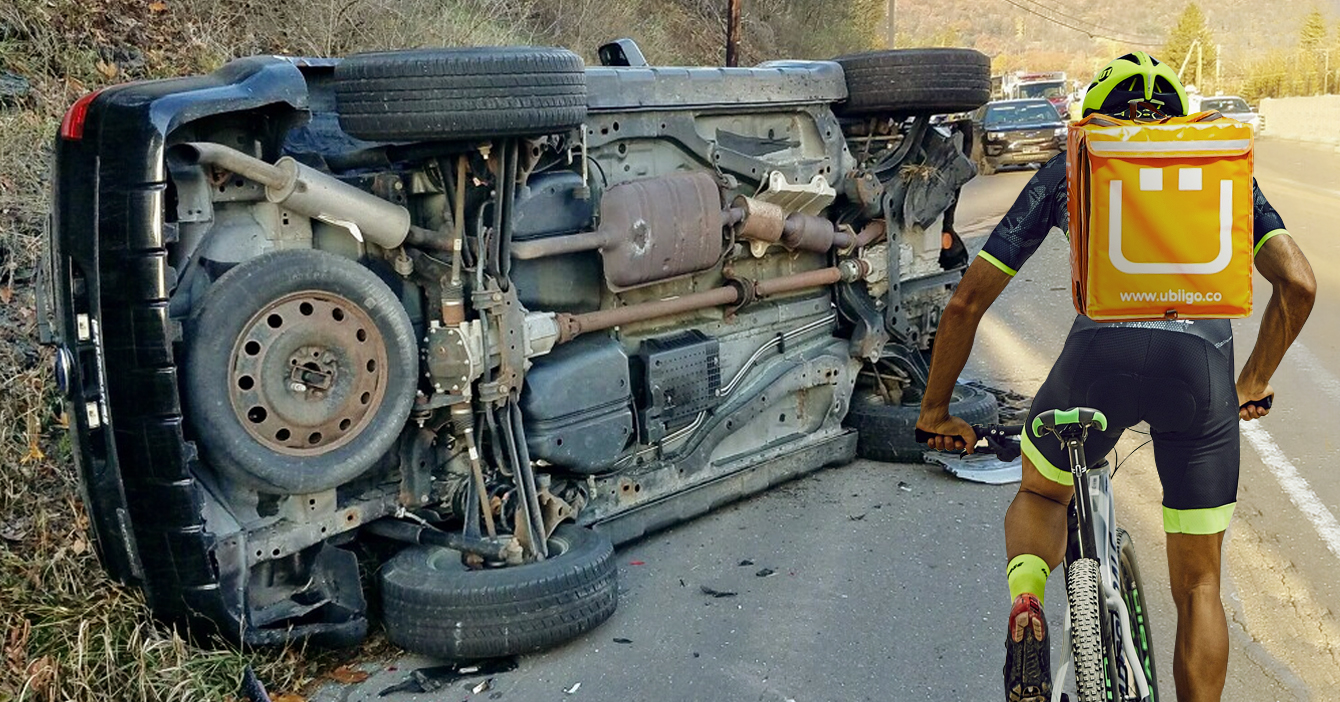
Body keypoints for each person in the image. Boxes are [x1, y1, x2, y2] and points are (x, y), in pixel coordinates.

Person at [915, 52, 1316, 702]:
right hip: (1203, 370)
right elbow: (1298, 284)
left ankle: (1029, 607)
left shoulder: (1077, 164)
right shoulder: (1220, 169)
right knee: (1201, 587)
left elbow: (966, 303)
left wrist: (935, 413)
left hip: (1097, 363)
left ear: (1097, 114)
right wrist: (1254, 381)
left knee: (1045, 496)